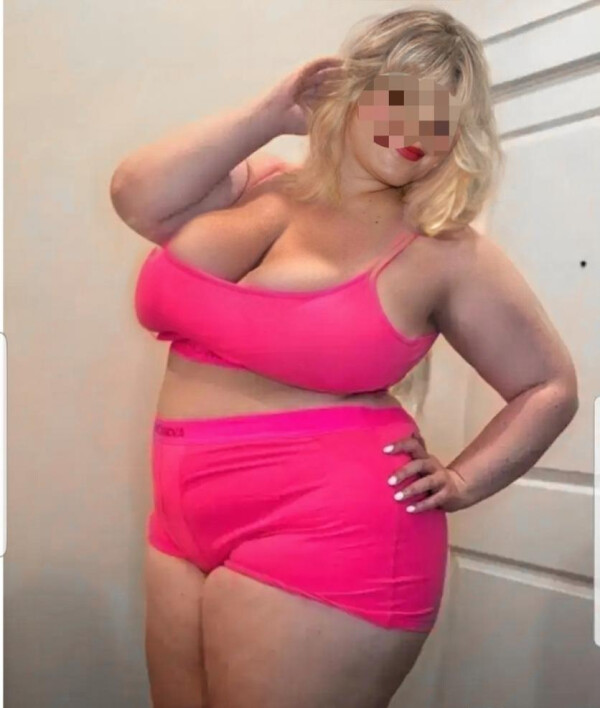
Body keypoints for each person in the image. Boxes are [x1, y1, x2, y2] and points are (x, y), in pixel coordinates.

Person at [110, 8, 579, 708]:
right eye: (401, 99)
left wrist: (463, 480)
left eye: (442, 120)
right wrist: (271, 113)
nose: (417, 130)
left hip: (331, 526)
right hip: (180, 514)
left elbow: (549, 385)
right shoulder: (261, 179)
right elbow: (136, 197)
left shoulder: (442, 249)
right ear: (351, 90)